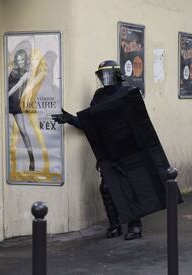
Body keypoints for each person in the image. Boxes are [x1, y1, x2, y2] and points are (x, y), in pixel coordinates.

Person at [52, 60, 142, 240]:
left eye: (108, 75)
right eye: (102, 76)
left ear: (117, 75)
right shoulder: (98, 96)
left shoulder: (128, 93)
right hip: (107, 149)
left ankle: (135, 225)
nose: (105, 79)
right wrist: (70, 118)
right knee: (107, 188)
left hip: (127, 148)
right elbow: (92, 124)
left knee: (128, 187)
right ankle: (114, 225)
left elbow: (138, 123)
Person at [8, 48, 50, 176]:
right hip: (6, 103)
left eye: (22, 59)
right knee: (10, 136)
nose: (20, 62)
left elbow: (18, 87)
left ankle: (31, 158)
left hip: (15, 104)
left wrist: (7, 94)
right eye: (18, 59)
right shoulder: (12, 71)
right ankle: (13, 164)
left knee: (23, 132)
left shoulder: (27, 73)